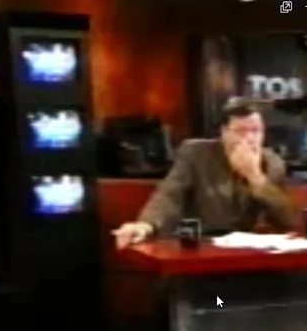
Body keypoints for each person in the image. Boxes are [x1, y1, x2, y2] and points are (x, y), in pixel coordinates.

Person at [112, 98, 297, 247]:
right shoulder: (196, 153)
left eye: (256, 131)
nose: (249, 138)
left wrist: (256, 178)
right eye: (240, 131)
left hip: (242, 250)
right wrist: (145, 225)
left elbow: (288, 222)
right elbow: (170, 194)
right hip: (198, 243)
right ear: (224, 132)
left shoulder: (272, 163)